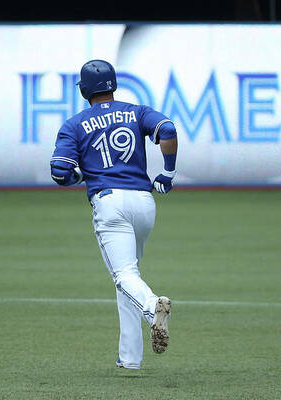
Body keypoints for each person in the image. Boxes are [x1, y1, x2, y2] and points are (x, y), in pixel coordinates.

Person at [49, 59, 178, 369]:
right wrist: (168, 173)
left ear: (84, 90)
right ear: (114, 84)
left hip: (110, 203)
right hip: (144, 202)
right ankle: (130, 358)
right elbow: (169, 129)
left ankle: (153, 307)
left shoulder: (75, 123)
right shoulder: (138, 112)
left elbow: (59, 171)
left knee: (124, 276)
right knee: (129, 274)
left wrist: (83, 177)